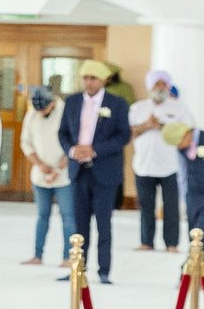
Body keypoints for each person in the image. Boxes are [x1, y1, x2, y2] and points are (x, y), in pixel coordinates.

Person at [61, 59, 130, 284]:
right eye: (86, 78)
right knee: (78, 225)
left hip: (104, 172)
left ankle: (104, 271)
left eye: (93, 78)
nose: (89, 82)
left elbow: (123, 136)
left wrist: (95, 150)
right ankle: (77, 268)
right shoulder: (71, 102)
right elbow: (62, 133)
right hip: (78, 170)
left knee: (103, 223)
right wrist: (72, 150)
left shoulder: (117, 104)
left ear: (104, 80)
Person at [128, 71, 192, 252]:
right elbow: (129, 133)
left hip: (170, 165)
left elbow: (187, 134)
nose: (161, 87)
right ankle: (146, 242)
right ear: (150, 87)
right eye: (157, 84)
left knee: (171, 206)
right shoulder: (138, 108)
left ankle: (172, 244)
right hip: (143, 165)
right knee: (146, 206)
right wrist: (147, 125)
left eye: (164, 84)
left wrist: (162, 126)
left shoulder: (179, 108)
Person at [20, 84, 70, 265]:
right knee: (42, 216)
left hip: (64, 175)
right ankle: (37, 255)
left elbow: (74, 143)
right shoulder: (32, 113)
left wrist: (58, 169)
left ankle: (68, 257)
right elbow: (25, 143)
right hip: (40, 174)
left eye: (44, 109)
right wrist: (40, 165)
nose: (41, 112)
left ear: (52, 103)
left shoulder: (66, 112)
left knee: (68, 216)